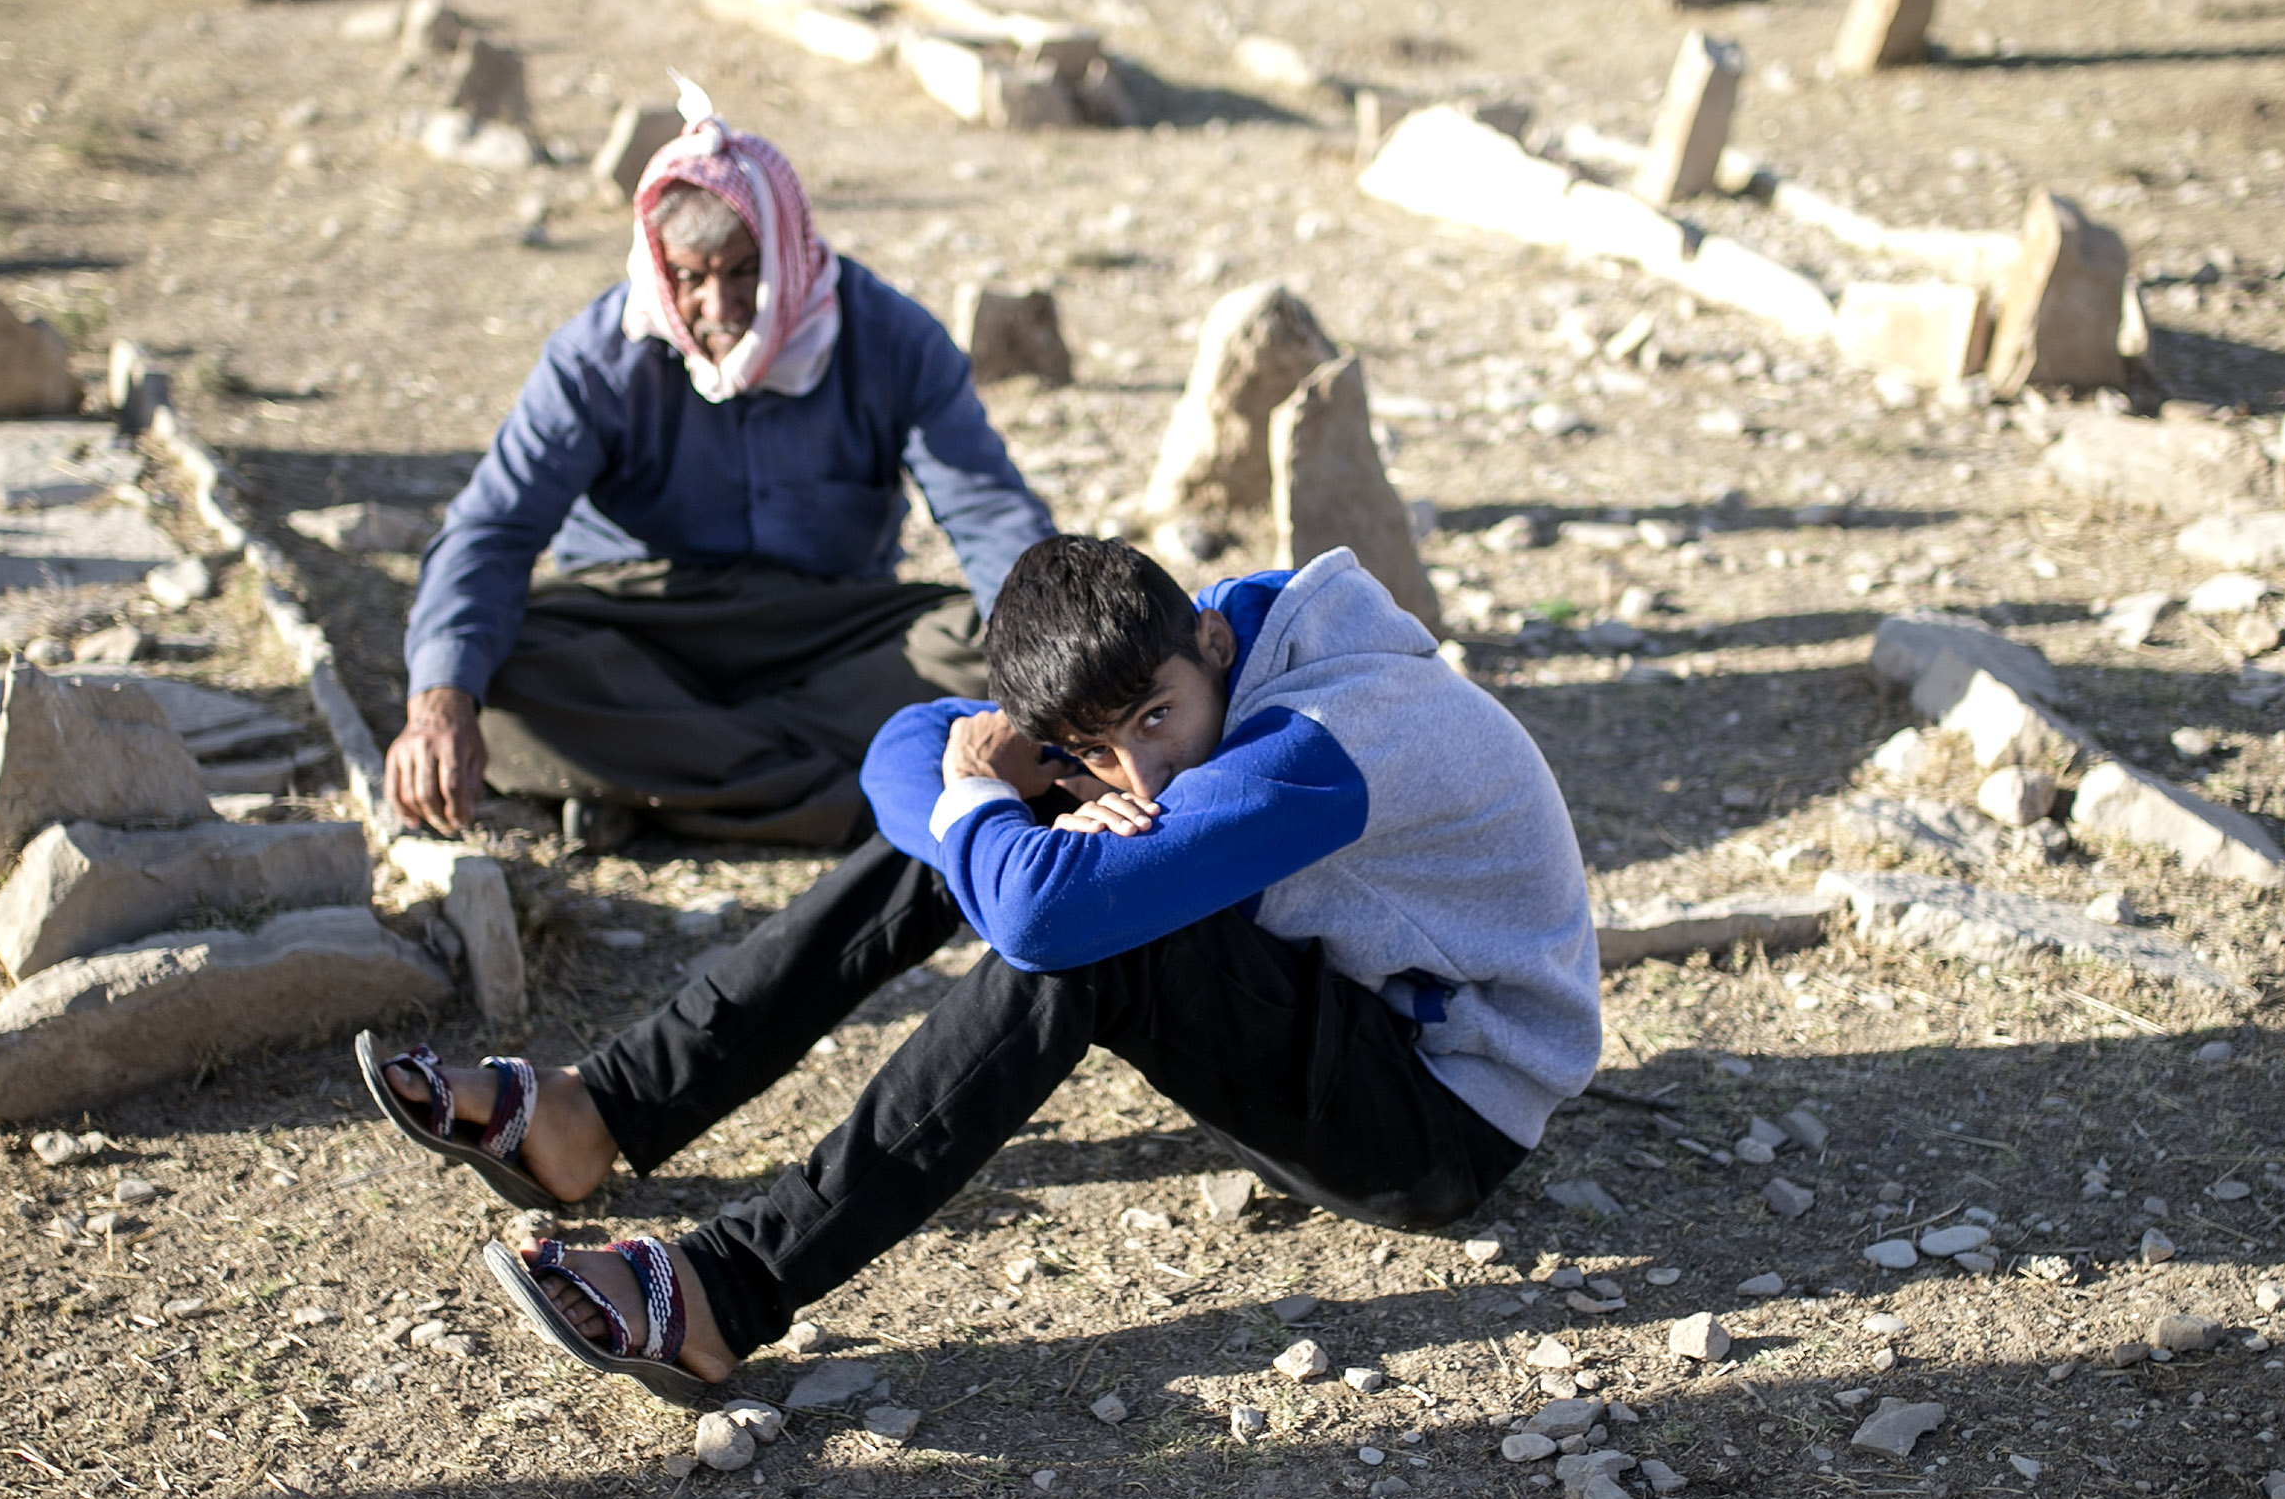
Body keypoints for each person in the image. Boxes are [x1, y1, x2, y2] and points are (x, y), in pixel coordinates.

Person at [361, 533, 1599, 1401]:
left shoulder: (1327, 736)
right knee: (999, 825)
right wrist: (987, 786)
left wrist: (985, 808)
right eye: (1100, 748)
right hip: (1344, 1015)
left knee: (1081, 929)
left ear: (1212, 643)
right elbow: (903, 747)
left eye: (1157, 722)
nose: (1145, 775)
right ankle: (601, 1109)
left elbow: (1046, 926)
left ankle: (723, 1292)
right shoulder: (1182, 662)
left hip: (1442, 1114)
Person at [386, 91, 1054, 851]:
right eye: (690, 278)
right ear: (656, 264)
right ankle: (869, 794)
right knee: (493, 681)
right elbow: (493, 530)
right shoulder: (598, 358)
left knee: (991, 644)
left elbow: (988, 509)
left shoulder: (887, 337)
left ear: (789, 251)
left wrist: (1049, 671)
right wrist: (439, 701)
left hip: (828, 629)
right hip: (644, 627)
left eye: (744, 272)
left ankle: (660, 790)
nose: (720, 305)